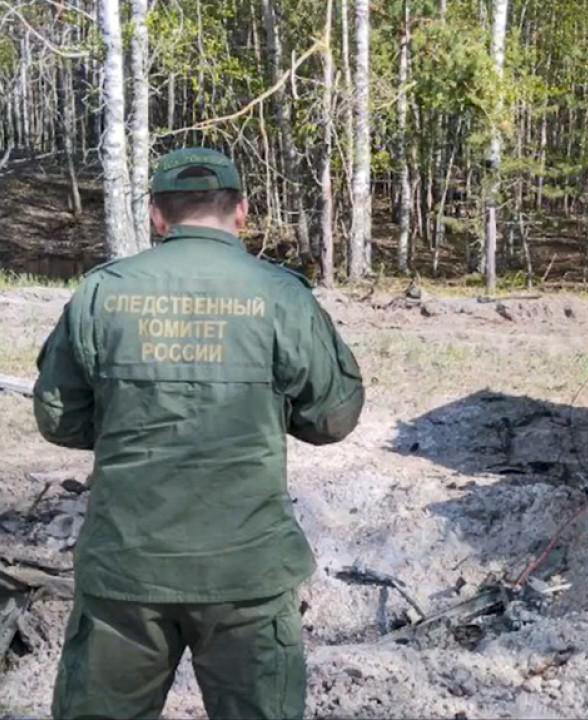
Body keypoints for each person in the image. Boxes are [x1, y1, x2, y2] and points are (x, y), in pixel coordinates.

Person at [33, 148, 365, 719]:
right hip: (247, 573)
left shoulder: (101, 293)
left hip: (126, 572)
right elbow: (333, 417)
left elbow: (58, 416)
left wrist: (127, 422)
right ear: (241, 211)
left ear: (157, 217)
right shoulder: (280, 296)